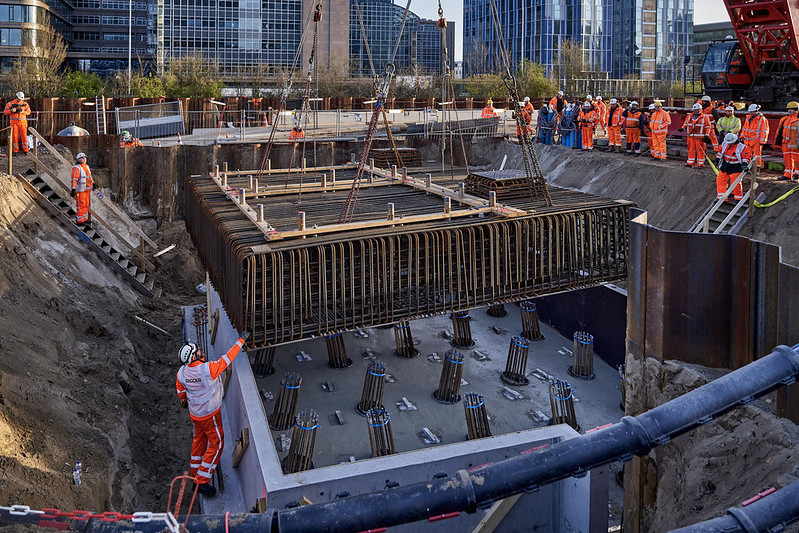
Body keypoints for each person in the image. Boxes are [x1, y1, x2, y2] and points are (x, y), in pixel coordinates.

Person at [176, 333, 249, 496]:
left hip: (195, 414)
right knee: (217, 444)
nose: (201, 350)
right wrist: (241, 341)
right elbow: (228, 358)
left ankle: (194, 472)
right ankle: (201, 481)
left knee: (199, 440)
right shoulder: (207, 370)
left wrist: (183, 402)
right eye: (198, 350)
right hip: (209, 415)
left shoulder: (181, 373)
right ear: (194, 356)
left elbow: (180, 391)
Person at [715, 133, 751, 201]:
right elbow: (720, 152)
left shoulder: (742, 147)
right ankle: (721, 198)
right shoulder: (724, 144)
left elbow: (746, 157)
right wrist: (717, 159)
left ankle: (738, 198)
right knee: (720, 180)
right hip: (726, 165)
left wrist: (744, 164)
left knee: (735, 183)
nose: (730, 144)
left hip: (736, 167)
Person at [684, 103, 717, 168]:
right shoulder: (689, 116)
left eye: (698, 110)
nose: (697, 111)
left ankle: (701, 164)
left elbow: (708, 126)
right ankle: (690, 163)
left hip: (700, 137)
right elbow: (686, 123)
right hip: (691, 137)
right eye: (696, 110)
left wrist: (706, 135)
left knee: (701, 151)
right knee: (691, 150)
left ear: (700, 110)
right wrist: (682, 128)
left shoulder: (705, 117)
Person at [775, 101, 799, 180]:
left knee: (797, 159)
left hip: (795, 143)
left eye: (791, 109)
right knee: (787, 159)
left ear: (796, 109)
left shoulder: (797, 119)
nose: (789, 111)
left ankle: (797, 174)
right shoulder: (785, 119)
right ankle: (788, 174)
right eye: (788, 109)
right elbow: (780, 131)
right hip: (785, 143)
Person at [740, 103, 769, 169]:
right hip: (747, 140)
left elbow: (764, 130)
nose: (751, 113)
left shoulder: (762, 119)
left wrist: (762, 141)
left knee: (757, 155)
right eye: (750, 112)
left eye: (752, 112)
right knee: (747, 154)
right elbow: (744, 128)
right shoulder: (748, 118)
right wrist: (742, 137)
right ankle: (747, 167)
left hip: (756, 141)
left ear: (756, 111)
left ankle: (757, 169)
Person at [70, 152, 94, 226]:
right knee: (81, 205)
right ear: (79, 159)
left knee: (86, 204)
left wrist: (93, 183)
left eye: (85, 158)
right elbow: (74, 179)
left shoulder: (86, 167)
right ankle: (79, 221)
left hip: (87, 190)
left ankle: (84, 219)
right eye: (82, 158)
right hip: (80, 190)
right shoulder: (77, 168)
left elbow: (89, 177)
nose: (84, 159)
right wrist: (73, 189)